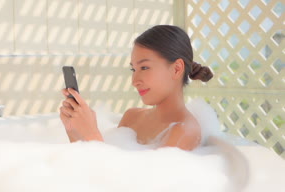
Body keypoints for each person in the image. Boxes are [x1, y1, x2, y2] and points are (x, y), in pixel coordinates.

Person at [59, 25, 214, 151]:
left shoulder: (185, 131)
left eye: (144, 68)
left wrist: (91, 134)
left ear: (176, 69)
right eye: (133, 69)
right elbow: (95, 175)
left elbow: (138, 186)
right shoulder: (131, 117)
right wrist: (75, 133)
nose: (135, 81)